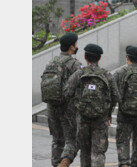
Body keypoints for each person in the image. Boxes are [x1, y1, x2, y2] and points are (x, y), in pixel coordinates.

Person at [63, 43, 119, 167]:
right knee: (98, 152)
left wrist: (77, 104)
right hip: (101, 119)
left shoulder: (79, 73)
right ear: (99, 58)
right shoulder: (106, 75)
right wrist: (108, 112)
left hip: (82, 118)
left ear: (85, 56)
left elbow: (67, 93)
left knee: (85, 150)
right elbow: (116, 96)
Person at [41, 32, 82, 167]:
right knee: (71, 140)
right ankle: (63, 164)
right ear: (71, 47)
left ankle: (55, 164)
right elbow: (80, 86)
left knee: (57, 140)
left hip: (51, 107)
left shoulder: (51, 62)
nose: (77, 46)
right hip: (67, 109)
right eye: (76, 43)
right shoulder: (74, 64)